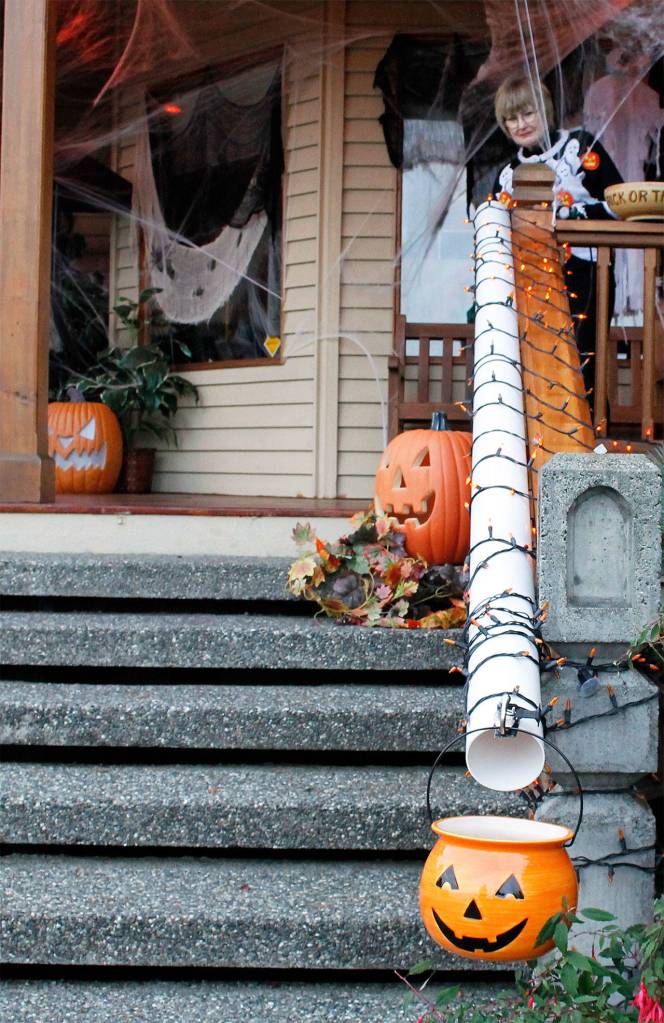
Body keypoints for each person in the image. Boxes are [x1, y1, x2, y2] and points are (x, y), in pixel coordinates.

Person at [492, 76, 622, 402]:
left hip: (584, 269)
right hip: (529, 279)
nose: (520, 124)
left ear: (545, 110)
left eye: (527, 113)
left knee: (581, 358)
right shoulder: (507, 174)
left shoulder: (581, 148)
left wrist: (571, 215)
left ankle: (589, 443)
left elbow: (620, 204)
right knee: (534, 361)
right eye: (511, 118)